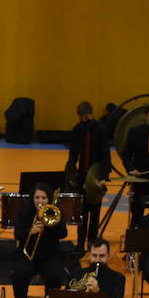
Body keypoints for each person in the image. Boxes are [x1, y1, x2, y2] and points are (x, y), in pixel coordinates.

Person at [10, 183, 69, 298]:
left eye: (43, 197)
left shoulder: (55, 212)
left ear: (49, 199)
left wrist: (49, 226)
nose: (40, 201)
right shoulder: (24, 213)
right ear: (32, 198)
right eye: (37, 197)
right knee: (19, 274)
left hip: (50, 255)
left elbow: (63, 234)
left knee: (55, 276)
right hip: (28, 255)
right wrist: (31, 231)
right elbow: (17, 234)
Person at [65, 102, 110, 248]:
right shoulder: (77, 130)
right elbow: (73, 154)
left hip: (97, 176)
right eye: (83, 117)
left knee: (95, 213)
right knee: (82, 212)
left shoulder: (100, 129)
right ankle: (80, 243)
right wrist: (71, 173)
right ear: (79, 116)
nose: (86, 119)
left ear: (92, 113)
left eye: (88, 116)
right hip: (82, 176)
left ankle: (92, 242)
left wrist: (104, 177)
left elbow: (105, 155)